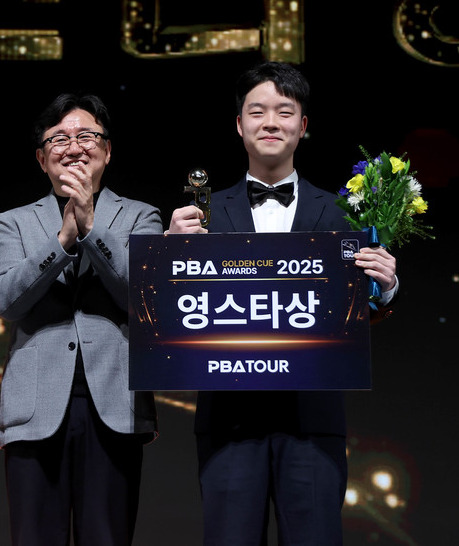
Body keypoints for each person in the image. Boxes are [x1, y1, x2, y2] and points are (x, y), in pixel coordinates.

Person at [167, 63, 399, 546]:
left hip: (313, 421)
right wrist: (169, 255)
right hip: (229, 421)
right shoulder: (200, 216)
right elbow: (177, 311)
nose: (270, 122)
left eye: (284, 112)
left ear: (303, 125)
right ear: (239, 124)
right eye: (257, 112)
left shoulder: (342, 213)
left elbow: (357, 312)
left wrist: (386, 285)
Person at [0, 93, 161, 546]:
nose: (74, 147)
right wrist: (63, 241)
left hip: (116, 404)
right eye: (59, 139)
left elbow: (142, 297)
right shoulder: (13, 222)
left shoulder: (141, 216)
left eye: (86, 136)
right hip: (34, 407)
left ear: (108, 150)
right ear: (42, 158)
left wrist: (91, 227)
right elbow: (3, 300)